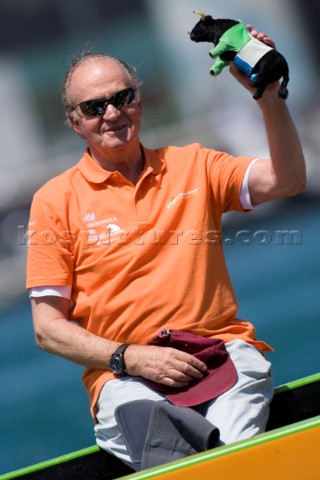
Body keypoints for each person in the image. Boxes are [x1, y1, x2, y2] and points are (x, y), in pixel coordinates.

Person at [26, 25, 306, 471]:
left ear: (140, 100)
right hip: (126, 377)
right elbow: (46, 328)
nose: (113, 113)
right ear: (75, 121)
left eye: (123, 97)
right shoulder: (53, 202)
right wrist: (130, 357)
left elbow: (286, 179)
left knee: (237, 456)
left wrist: (269, 96)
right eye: (94, 107)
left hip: (221, 353)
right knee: (162, 438)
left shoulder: (194, 164)